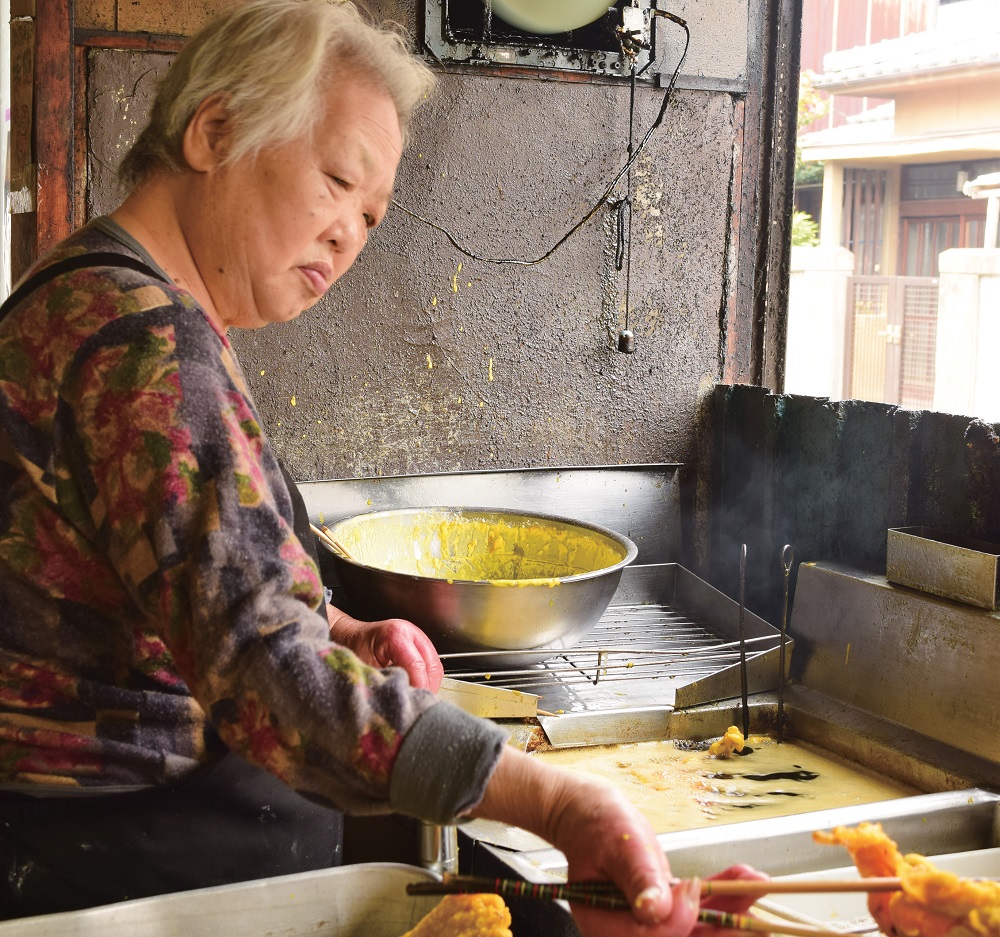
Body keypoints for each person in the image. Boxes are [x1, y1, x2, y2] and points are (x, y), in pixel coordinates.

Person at [0, 2, 763, 933]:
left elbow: (176, 586)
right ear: (215, 131)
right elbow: (266, 670)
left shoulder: (89, 292)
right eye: (336, 182)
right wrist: (558, 803)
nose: (349, 236)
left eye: (370, 216)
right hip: (125, 870)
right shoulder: (144, 345)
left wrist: (339, 627)